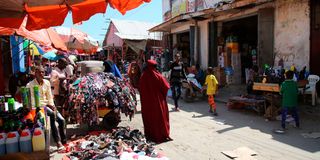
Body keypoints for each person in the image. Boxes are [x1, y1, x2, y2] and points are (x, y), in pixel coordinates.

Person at [27, 66, 66, 149]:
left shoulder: (47, 83)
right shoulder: (30, 85)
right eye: (39, 72)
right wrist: (47, 106)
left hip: (48, 105)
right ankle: (58, 142)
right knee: (52, 115)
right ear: (35, 73)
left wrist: (52, 105)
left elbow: (49, 96)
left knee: (62, 120)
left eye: (43, 72)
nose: (41, 74)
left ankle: (64, 141)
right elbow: (31, 100)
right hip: (38, 107)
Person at [139, 60, 172, 143]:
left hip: (147, 103)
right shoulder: (158, 75)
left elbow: (140, 89)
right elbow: (166, 86)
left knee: (149, 119)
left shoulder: (143, 76)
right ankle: (162, 135)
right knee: (159, 118)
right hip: (158, 102)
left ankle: (151, 136)